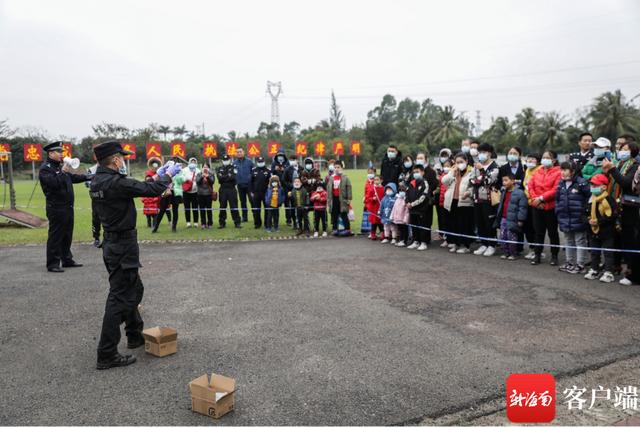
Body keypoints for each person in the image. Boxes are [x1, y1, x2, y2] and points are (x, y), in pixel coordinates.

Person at [89, 140, 175, 370]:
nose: (124, 160)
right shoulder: (116, 182)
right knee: (119, 297)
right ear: (115, 159)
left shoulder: (96, 181)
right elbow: (151, 189)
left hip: (111, 243)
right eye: (122, 157)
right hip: (123, 245)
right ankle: (106, 353)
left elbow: (96, 212)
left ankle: (135, 334)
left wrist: (96, 233)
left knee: (133, 288)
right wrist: (166, 175)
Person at [39, 141, 90, 272]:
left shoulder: (59, 167)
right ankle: (52, 264)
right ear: (51, 153)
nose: (62, 154)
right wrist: (62, 172)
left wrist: (88, 177)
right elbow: (54, 183)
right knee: (56, 235)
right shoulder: (46, 168)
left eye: (62, 152)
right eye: (59, 152)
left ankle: (66, 259)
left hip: (67, 206)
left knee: (67, 234)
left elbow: (72, 177)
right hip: (56, 207)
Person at [602, 141, 640, 285]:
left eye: (624, 149)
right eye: (620, 148)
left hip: (628, 208)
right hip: (615, 206)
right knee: (615, 238)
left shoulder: (635, 166)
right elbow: (611, 182)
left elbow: (626, 183)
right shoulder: (618, 164)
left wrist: (612, 169)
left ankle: (631, 272)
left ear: (633, 152)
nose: (620, 151)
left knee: (629, 240)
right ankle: (614, 267)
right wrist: (607, 171)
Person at [555, 162, 590, 273]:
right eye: (562, 170)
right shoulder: (561, 183)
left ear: (573, 171)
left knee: (580, 240)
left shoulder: (581, 183)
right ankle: (569, 263)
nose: (563, 172)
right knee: (568, 240)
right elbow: (557, 199)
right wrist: (558, 211)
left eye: (566, 170)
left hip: (579, 218)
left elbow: (589, 198)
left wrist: (585, 213)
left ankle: (580, 265)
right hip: (565, 218)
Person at [528, 150, 562, 266]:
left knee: (553, 233)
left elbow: (555, 189)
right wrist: (535, 199)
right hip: (537, 206)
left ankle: (554, 256)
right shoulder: (538, 171)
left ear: (554, 160)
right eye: (543, 157)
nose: (544, 159)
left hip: (550, 207)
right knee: (538, 232)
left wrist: (541, 198)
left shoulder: (558, 172)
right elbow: (530, 186)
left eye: (547, 157)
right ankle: (537, 254)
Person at [584, 174, 618, 283]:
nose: (593, 187)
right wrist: (588, 220)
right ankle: (594, 269)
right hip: (592, 231)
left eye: (595, 185)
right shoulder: (590, 199)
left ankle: (608, 272)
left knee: (608, 252)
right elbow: (583, 214)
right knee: (594, 251)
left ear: (603, 187)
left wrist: (599, 221)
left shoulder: (609, 199)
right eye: (592, 185)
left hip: (607, 231)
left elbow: (612, 215)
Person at [469, 143, 499, 257]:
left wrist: (482, 172)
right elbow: (472, 180)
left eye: (484, 152)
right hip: (477, 199)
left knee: (489, 223)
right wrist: (480, 178)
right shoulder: (477, 165)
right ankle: (484, 243)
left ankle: (492, 245)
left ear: (489, 153)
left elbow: (488, 181)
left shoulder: (495, 167)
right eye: (480, 152)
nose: (481, 155)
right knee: (479, 222)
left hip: (489, 199)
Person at [443, 153, 475, 254]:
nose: (459, 164)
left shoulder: (472, 171)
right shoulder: (454, 172)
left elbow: (474, 187)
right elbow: (444, 181)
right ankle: (455, 243)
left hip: (465, 202)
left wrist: (469, 193)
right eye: (457, 162)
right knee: (454, 224)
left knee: (464, 224)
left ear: (466, 161)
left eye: (461, 162)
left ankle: (465, 245)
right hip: (453, 201)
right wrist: (452, 172)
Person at [493, 173, 528, 260]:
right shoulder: (504, 192)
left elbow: (522, 207)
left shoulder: (520, 193)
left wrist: (520, 219)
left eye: (506, 180)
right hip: (503, 218)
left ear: (512, 181)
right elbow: (501, 205)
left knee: (511, 236)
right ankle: (506, 252)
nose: (504, 183)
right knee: (502, 235)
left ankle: (513, 253)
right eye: (503, 181)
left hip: (513, 219)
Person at [152, 160, 184, 233]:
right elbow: (159, 178)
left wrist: (176, 178)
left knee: (175, 210)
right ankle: (155, 227)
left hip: (175, 192)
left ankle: (174, 227)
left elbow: (182, 180)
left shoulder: (179, 170)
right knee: (162, 210)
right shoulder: (164, 171)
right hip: (165, 192)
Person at [415, 151, 439, 246]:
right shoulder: (415, 171)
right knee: (416, 220)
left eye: (421, 158)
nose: (419, 160)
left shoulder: (431, 172)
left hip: (426, 200)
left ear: (426, 160)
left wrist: (425, 194)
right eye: (418, 158)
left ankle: (425, 241)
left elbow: (434, 185)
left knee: (426, 220)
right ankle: (417, 240)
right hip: (416, 200)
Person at [406, 165, 430, 251]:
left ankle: (423, 242)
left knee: (422, 226)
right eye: (414, 172)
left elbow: (423, 197)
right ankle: (416, 241)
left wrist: (412, 204)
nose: (416, 174)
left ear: (423, 172)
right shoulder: (411, 183)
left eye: (418, 172)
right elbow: (407, 194)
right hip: (412, 210)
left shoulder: (425, 183)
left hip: (421, 210)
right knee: (414, 225)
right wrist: (407, 202)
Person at [522, 154, 541, 259]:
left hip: (537, 201)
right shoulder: (527, 171)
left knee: (537, 227)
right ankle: (532, 248)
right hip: (527, 201)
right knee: (528, 226)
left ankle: (538, 251)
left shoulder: (540, 170)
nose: (530, 161)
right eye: (528, 159)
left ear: (538, 161)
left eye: (532, 159)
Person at [327, 161, 353, 236]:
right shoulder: (331, 178)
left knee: (343, 213)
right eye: (335, 167)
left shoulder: (345, 177)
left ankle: (347, 229)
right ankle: (335, 229)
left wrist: (349, 198)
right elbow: (329, 189)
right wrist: (329, 201)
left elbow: (349, 187)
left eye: (338, 167)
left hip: (342, 199)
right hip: (334, 199)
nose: (336, 169)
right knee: (334, 214)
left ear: (342, 168)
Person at [217, 154, 241, 229]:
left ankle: (237, 223)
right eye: (224, 160)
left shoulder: (234, 167)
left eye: (227, 160)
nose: (225, 161)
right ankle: (222, 223)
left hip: (231, 189)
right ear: (222, 161)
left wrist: (224, 177)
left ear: (229, 160)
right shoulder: (219, 168)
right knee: (222, 206)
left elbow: (233, 177)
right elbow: (219, 179)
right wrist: (228, 176)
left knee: (234, 206)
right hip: (223, 189)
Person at [233, 148, 254, 222]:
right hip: (240, 185)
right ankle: (245, 217)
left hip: (249, 185)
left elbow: (253, 172)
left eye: (240, 152)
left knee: (252, 200)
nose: (239, 153)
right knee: (243, 202)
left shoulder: (249, 161)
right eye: (237, 152)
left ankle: (255, 215)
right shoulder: (234, 163)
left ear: (243, 152)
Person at [250, 156, 271, 229]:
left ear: (264, 162)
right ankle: (257, 223)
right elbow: (251, 182)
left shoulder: (268, 170)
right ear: (257, 162)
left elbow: (271, 182)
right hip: (256, 193)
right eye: (259, 162)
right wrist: (251, 191)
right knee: (256, 209)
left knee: (267, 209)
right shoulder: (253, 170)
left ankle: (267, 223)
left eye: (262, 162)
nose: (260, 163)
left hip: (266, 193)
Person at [436, 157, 453, 247]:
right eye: (444, 166)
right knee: (444, 222)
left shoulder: (452, 176)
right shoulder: (441, 176)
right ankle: (446, 239)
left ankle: (452, 240)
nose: (446, 167)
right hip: (442, 202)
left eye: (448, 166)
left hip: (450, 202)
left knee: (451, 222)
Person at [364, 174, 385, 240]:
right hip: (374, 208)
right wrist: (372, 199)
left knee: (381, 221)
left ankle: (382, 233)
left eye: (377, 180)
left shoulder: (383, 188)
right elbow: (367, 198)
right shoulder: (372, 189)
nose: (376, 181)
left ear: (381, 180)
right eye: (375, 180)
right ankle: (373, 233)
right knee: (374, 222)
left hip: (381, 208)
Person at [283, 155, 300, 227]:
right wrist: (291, 185)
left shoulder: (301, 169)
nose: (293, 161)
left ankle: (300, 222)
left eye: (294, 159)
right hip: (291, 191)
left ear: (297, 160)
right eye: (291, 160)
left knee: (300, 207)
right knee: (292, 207)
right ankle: (293, 222)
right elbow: (283, 180)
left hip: (300, 191)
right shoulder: (287, 169)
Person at [181, 158, 200, 228]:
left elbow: (199, 180)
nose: (193, 163)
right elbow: (181, 178)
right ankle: (188, 222)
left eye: (194, 162)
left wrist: (195, 184)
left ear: (196, 163)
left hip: (195, 192)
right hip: (186, 192)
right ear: (189, 162)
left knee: (195, 207)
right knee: (187, 207)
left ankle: (195, 222)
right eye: (191, 162)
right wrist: (186, 180)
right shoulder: (184, 170)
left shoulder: (198, 171)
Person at [390, 181, 410, 247]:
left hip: (403, 220)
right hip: (397, 219)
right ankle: (400, 240)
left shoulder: (406, 199)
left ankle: (404, 241)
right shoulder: (397, 199)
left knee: (404, 230)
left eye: (403, 190)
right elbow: (394, 208)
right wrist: (392, 216)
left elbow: (407, 211)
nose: (401, 192)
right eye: (400, 190)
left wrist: (405, 219)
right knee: (400, 230)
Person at [196, 163, 215, 229]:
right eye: (204, 167)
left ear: (208, 168)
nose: (205, 168)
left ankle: (210, 223)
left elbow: (212, 182)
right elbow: (197, 182)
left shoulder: (211, 174)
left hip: (208, 194)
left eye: (206, 167)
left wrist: (207, 176)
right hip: (200, 194)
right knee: (202, 210)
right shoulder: (199, 174)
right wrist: (202, 176)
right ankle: (203, 223)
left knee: (209, 210)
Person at [87, 162, 102, 248]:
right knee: (96, 219)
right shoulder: (92, 169)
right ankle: (96, 238)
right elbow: (87, 183)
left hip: (109, 197)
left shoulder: (111, 166)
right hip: (96, 197)